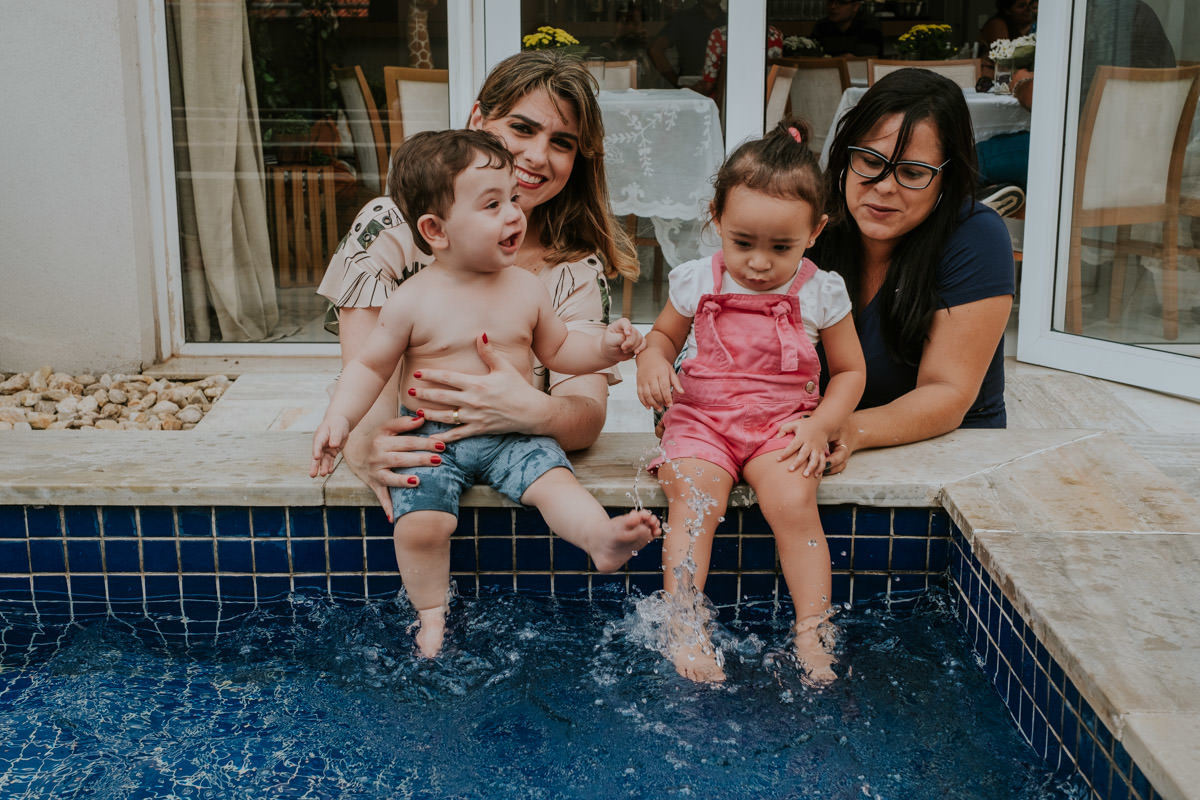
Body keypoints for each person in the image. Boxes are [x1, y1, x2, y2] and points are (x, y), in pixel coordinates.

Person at [312, 129, 661, 658]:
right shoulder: (412, 298)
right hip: (432, 438)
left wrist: (608, 350)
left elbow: (562, 350)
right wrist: (339, 422)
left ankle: (600, 540)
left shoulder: (527, 288)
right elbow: (370, 366)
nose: (514, 215)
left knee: (555, 482)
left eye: (513, 200)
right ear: (436, 230)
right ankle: (431, 614)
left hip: (510, 433)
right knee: (424, 525)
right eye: (493, 205)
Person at [316, 51, 640, 515]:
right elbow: (369, 368)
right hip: (421, 448)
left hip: (514, 454)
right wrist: (366, 442)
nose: (536, 156)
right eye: (522, 128)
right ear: (477, 120)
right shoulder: (395, 225)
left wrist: (532, 410)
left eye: (562, 142)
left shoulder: (572, 269)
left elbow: (584, 415)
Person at [636, 119, 866, 684]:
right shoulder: (697, 280)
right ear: (715, 220)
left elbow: (852, 371)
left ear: (815, 231)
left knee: (792, 505)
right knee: (697, 500)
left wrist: (822, 426)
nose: (759, 263)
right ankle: (685, 625)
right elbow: (662, 336)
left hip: (780, 428)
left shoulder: (819, 290)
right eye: (743, 243)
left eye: (780, 246)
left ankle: (813, 630)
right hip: (702, 424)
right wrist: (651, 360)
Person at [813, 68, 1015, 478]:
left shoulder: (976, 236)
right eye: (870, 162)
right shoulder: (813, 223)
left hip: (950, 459)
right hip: (816, 444)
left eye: (912, 173)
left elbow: (947, 393)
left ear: (947, 178)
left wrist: (850, 429)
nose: (885, 186)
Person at [648, 0, 724, 88]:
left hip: (726, 89)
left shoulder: (731, 19)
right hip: (693, 88)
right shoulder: (684, 18)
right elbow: (655, 50)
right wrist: (677, 82)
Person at [811, 0, 883, 58]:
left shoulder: (869, 24)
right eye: (830, 1)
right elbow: (810, 54)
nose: (832, 6)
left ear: (855, 6)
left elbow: (864, 58)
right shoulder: (822, 25)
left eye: (841, 3)